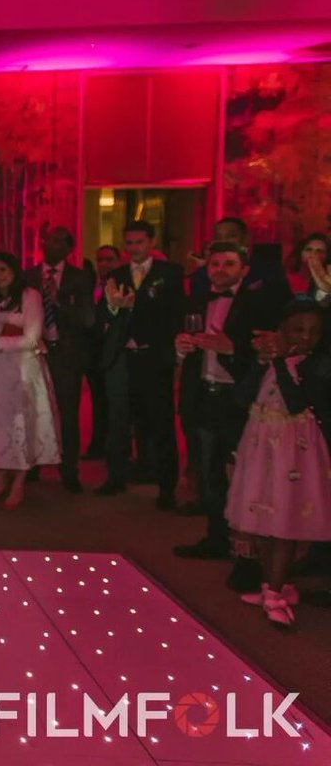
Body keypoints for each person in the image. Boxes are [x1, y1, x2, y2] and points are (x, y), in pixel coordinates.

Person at [174, 243, 286, 564]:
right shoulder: (195, 300)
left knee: (244, 471)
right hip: (204, 394)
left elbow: (266, 354)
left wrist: (231, 349)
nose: (221, 269)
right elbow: (183, 346)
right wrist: (181, 348)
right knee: (210, 472)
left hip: (239, 399)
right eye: (215, 264)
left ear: (244, 268)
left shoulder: (259, 304)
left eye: (229, 264)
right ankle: (216, 538)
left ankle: (248, 546)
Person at [226, 301, 331, 628]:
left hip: (293, 451)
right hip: (260, 447)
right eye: (297, 329)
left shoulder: (319, 364)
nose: (306, 337)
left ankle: (276, 593)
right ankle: (274, 583)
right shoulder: (271, 361)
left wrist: (283, 363)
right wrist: (262, 362)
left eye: (313, 332)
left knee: (284, 521)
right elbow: (242, 397)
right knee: (261, 516)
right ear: (282, 330)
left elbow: (297, 401)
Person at [0, 252, 61, 510]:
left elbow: (32, 336)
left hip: (20, 368)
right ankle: (1, 480)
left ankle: (18, 483)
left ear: (14, 270)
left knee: (19, 423)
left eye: (3, 270)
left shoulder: (30, 296)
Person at [97, 220, 184, 508]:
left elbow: (174, 314)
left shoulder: (169, 273)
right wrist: (113, 307)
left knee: (160, 423)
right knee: (119, 421)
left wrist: (137, 308)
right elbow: (104, 315)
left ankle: (166, 487)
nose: (134, 248)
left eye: (139, 242)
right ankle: (115, 477)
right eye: (130, 243)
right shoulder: (118, 273)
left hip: (154, 356)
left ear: (151, 243)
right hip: (124, 357)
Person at [24, 227, 94, 493]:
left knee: (67, 413)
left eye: (58, 241)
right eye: (48, 240)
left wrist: (59, 303)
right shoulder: (29, 275)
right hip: (34, 351)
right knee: (35, 409)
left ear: (68, 248)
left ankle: (69, 469)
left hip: (66, 353)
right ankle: (33, 464)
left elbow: (87, 318)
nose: (51, 245)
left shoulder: (80, 277)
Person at [84, 245, 122, 459]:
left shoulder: (123, 283)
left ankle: (115, 447)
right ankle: (98, 444)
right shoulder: (90, 284)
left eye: (109, 259)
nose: (104, 264)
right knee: (98, 400)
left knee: (116, 401)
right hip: (94, 350)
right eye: (100, 260)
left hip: (116, 350)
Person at [287, 232, 329, 298]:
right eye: (309, 250)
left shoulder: (327, 281)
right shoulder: (287, 279)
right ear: (301, 254)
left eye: (319, 251)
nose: (313, 254)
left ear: (326, 257)